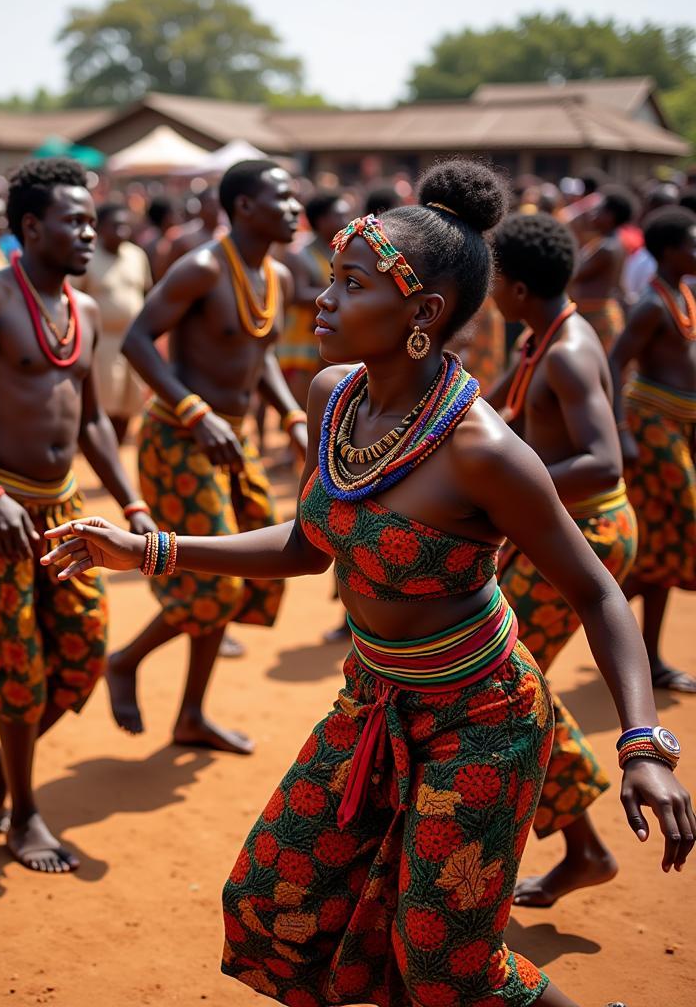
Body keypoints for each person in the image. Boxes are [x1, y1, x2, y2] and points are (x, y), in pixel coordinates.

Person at [43, 160, 694, 1007]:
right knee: (272, 903)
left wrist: (643, 744)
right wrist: (152, 550)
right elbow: (311, 542)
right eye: (333, 278)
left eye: (352, 284)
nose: (324, 298)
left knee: (447, 967)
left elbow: (598, 592)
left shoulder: (482, 452)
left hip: (483, 723)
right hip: (374, 701)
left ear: (423, 314)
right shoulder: (333, 397)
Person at [0, 158, 155, 872]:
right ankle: (23, 811)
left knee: (83, 647)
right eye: (74, 221)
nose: (89, 232)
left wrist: (133, 501)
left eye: (92, 219)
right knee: (17, 664)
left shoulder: (81, 310)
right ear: (31, 227)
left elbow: (90, 424)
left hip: (61, 505)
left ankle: (0, 764)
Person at [109, 159, 307, 755]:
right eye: (282, 197)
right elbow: (137, 340)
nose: (296, 207)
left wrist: (293, 416)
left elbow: (259, 353)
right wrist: (195, 411)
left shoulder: (279, 277)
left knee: (233, 569)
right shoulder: (200, 267)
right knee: (216, 586)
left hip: (234, 439)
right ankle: (125, 660)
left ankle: (191, 715)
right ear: (244, 207)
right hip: (179, 438)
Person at [487, 212, 635, 907]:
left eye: (490, 278)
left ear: (515, 289)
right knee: (514, 678)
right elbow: (499, 414)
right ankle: (583, 846)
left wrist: (506, 493)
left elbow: (604, 462)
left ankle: (585, 848)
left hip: (588, 530)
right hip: (553, 527)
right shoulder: (536, 338)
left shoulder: (569, 350)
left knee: (506, 680)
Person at [610, 206, 696, 693]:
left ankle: (648, 657)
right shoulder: (651, 305)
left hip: (678, 427)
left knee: (662, 547)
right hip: (651, 427)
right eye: (692, 243)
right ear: (668, 250)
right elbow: (615, 361)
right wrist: (621, 430)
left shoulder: (682, 296)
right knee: (685, 526)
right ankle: (602, 606)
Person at [72, 201, 151, 442]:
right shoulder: (87, 258)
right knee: (103, 406)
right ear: (99, 228)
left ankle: (115, 451)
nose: (122, 232)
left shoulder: (137, 255)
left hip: (132, 343)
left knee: (129, 404)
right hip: (101, 345)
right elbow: (73, 299)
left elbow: (147, 291)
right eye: (115, 226)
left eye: (125, 226)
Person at [279, 192, 352, 409]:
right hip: (301, 339)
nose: (345, 221)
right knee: (303, 407)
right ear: (321, 221)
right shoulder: (299, 253)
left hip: (328, 334)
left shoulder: (342, 252)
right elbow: (298, 294)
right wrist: (343, 291)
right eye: (339, 215)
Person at [570, 184, 636, 353]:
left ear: (610, 216)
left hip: (595, 315)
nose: (592, 214)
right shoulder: (607, 242)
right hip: (594, 312)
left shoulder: (607, 247)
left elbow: (573, 274)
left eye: (598, 210)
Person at [155, 188, 222, 279]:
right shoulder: (181, 237)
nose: (216, 209)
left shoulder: (227, 235)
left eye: (219, 205)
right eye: (211, 205)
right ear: (200, 207)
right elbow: (162, 274)